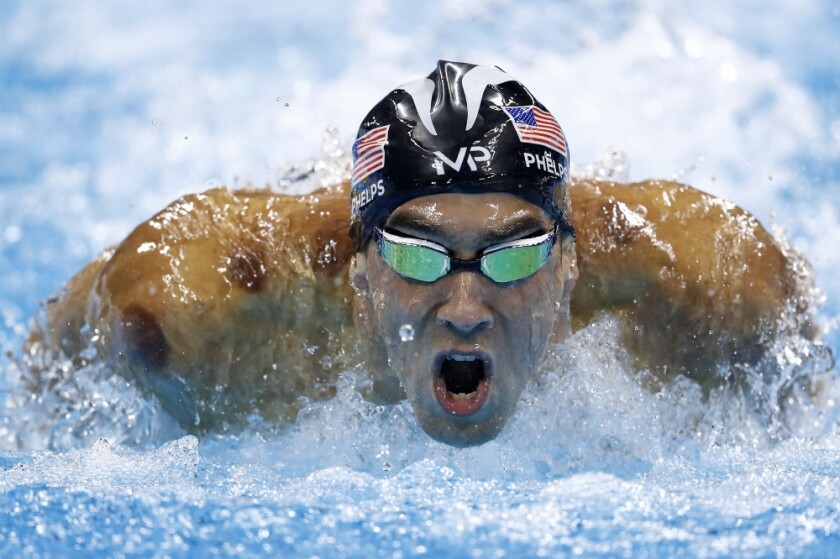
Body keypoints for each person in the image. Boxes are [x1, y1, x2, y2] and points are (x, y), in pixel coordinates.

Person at [24, 61, 812, 447]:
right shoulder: (196, 313)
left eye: (511, 259)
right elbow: (51, 364)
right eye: (419, 256)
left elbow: (799, 390)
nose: (466, 311)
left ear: (571, 264)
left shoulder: (704, 284)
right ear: (359, 268)